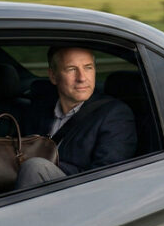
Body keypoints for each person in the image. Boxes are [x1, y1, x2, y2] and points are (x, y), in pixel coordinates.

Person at [15, 46, 136, 188]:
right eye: (71, 69)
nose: (82, 78)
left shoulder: (115, 114)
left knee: (35, 168)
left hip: (80, 193)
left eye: (88, 68)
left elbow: (107, 178)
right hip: (32, 187)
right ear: (53, 76)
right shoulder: (40, 108)